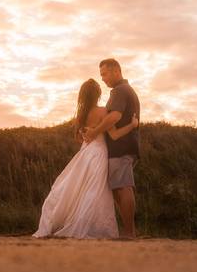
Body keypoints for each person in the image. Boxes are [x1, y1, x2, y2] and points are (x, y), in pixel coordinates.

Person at [32, 78, 139, 239]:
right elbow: (115, 135)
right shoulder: (103, 112)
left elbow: (80, 139)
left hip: (85, 153)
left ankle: (73, 221)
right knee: (96, 190)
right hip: (99, 154)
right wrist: (132, 125)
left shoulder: (80, 116)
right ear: (98, 94)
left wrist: (87, 133)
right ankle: (93, 226)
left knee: (79, 189)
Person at [81, 59, 141, 238]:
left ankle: (129, 233)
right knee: (117, 188)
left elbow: (114, 116)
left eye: (105, 74)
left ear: (116, 71)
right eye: (101, 75)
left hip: (122, 147)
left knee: (123, 186)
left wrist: (94, 132)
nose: (103, 79)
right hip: (120, 146)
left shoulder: (119, 91)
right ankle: (128, 231)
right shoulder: (124, 90)